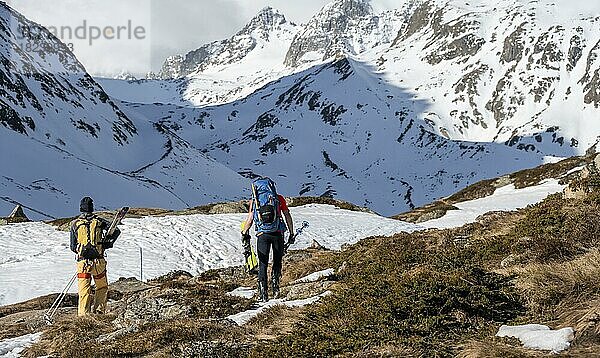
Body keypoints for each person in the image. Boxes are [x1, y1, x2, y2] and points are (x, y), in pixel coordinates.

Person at [242, 177, 294, 302]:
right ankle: (276, 289)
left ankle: (263, 293)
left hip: (262, 235)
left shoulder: (255, 202)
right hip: (277, 234)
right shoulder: (278, 198)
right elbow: (287, 215)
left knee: (263, 263)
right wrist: (291, 232)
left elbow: (250, 220)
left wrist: (244, 233)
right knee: (277, 261)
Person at [69, 197, 120, 316]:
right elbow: (115, 230)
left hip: (83, 263)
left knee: (84, 290)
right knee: (101, 287)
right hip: (98, 262)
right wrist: (107, 243)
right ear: (92, 208)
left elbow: (72, 247)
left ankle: (83, 315)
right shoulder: (99, 222)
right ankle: (99, 311)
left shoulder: (75, 224)